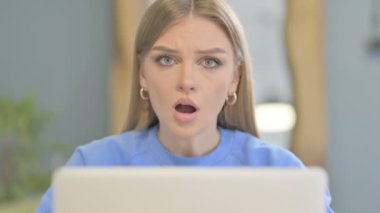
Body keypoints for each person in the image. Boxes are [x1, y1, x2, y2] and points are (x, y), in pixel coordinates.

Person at [37, 0, 334, 212]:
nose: (187, 81)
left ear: (234, 79)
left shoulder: (282, 174)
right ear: (142, 73)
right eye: (166, 59)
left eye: (210, 62)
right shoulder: (93, 168)